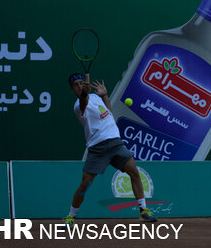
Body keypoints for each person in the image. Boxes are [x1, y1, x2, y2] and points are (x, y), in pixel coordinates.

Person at [63, 73, 157, 225]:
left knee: (134, 171)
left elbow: (108, 113)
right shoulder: (78, 105)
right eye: (76, 85)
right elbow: (83, 103)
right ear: (72, 89)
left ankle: (143, 211)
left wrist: (105, 95)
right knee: (85, 184)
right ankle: (70, 216)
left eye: (81, 83)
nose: (80, 86)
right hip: (97, 148)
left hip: (115, 142)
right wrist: (85, 93)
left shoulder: (95, 97)